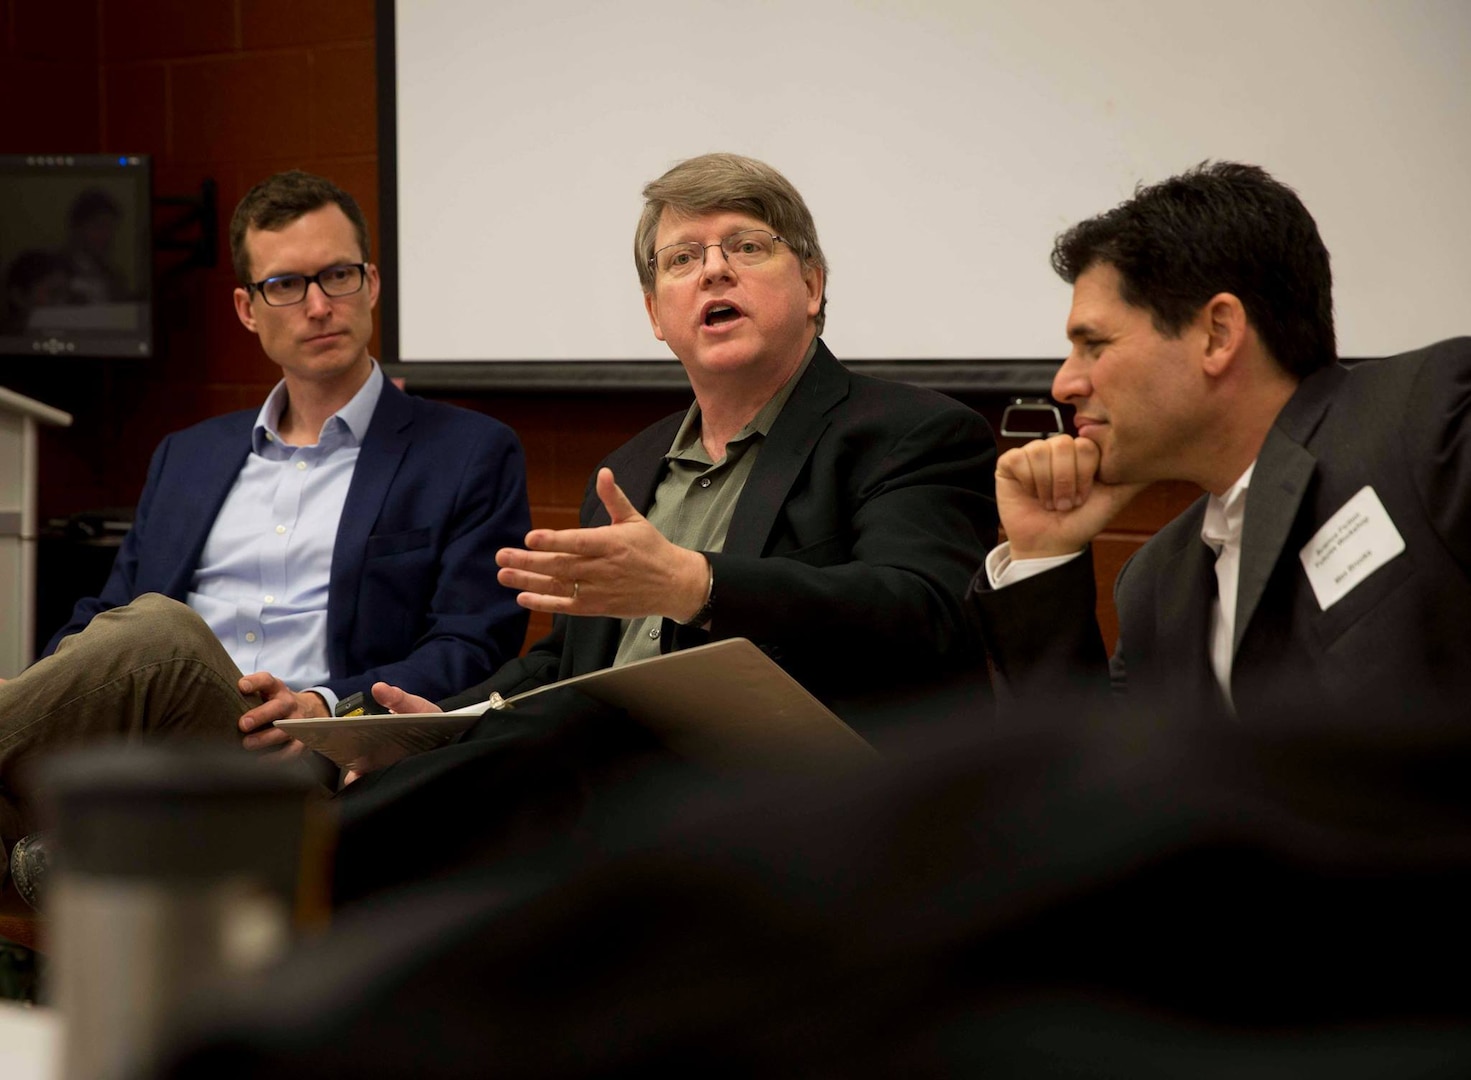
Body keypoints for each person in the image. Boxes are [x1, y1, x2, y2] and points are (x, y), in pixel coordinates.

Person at [324, 151, 999, 900]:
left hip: (801, 798)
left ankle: (273, 879)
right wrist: (444, 724)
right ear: (654, 314)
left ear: (811, 285)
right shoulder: (629, 471)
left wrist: (697, 585)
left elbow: (928, 610)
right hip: (599, 789)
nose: (714, 271)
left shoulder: (910, 433)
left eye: (746, 246)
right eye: (683, 258)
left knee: (579, 723)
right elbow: (566, 663)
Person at [0, 171, 530, 874]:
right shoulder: (187, 456)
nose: (317, 306)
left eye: (336, 276)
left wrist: (329, 705)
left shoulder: (467, 451)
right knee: (141, 631)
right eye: (285, 285)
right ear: (248, 308)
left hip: (305, 754)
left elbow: (473, 642)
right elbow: (103, 618)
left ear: (371, 284)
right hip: (150, 747)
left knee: (162, 631)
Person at [971, 161, 1471, 721]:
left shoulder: (1431, 419)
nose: (1065, 383)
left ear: (1218, 335)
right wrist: (1043, 555)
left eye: (1094, 344)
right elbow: (1095, 787)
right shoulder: (1158, 583)